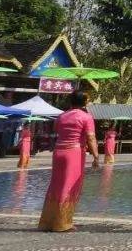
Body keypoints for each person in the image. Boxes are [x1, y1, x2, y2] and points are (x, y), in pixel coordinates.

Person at [38, 91, 101, 232]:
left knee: (56, 185)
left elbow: (57, 130)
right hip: (74, 153)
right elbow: (91, 138)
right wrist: (96, 156)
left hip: (59, 152)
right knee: (70, 185)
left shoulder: (61, 116)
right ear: (84, 102)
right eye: (87, 100)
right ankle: (63, 223)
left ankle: (48, 222)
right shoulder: (86, 117)